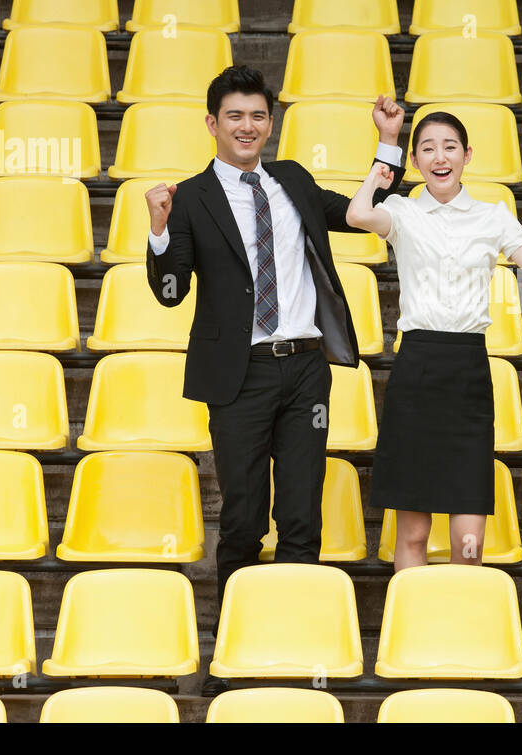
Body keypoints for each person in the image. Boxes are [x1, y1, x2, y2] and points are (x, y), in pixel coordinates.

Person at [143, 65, 406, 620]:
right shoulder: (189, 197)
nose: (247, 126)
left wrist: (388, 143)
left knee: (301, 510)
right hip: (239, 376)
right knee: (242, 515)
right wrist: (160, 230)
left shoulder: (294, 180)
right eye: (234, 116)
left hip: (306, 369)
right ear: (213, 123)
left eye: (257, 116)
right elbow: (170, 292)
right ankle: (238, 628)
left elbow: (366, 211)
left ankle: (295, 627)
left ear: (270, 123)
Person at [346, 110, 522, 569]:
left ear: (467, 156)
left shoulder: (493, 217)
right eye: (427, 147)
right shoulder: (402, 210)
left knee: (469, 542)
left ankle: (461, 634)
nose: (439, 157)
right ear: (415, 159)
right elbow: (357, 213)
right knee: (414, 533)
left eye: (450, 147)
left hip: (467, 372)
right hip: (416, 368)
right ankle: (412, 632)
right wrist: (380, 168)